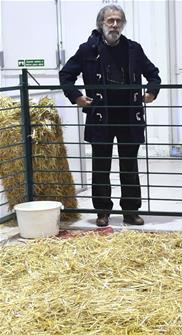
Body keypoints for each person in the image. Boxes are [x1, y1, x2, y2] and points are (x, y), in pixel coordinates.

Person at [60, 4, 160, 227]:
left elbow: (153, 74)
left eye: (118, 21)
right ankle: (102, 211)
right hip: (100, 117)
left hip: (128, 116)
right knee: (101, 166)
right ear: (101, 24)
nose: (114, 25)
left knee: (129, 165)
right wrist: (76, 96)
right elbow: (66, 75)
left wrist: (152, 91)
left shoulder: (134, 49)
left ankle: (131, 211)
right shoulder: (87, 49)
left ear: (123, 24)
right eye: (110, 21)